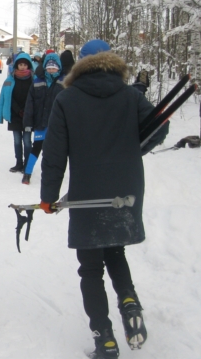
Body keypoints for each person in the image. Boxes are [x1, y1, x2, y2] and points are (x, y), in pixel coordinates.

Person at [39, 39, 166, 359]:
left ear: (80, 64)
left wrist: (48, 198)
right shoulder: (130, 95)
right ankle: (129, 302)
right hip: (126, 190)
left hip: (88, 194)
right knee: (115, 251)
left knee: (91, 267)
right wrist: (131, 150)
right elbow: (159, 129)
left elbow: (54, 153)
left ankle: (105, 340)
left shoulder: (67, 98)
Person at [21, 52, 64, 185]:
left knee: (53, 152)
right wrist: (28, 122)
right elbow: (30, 103)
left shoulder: (64, 83)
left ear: (59, 68)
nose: (51, 70)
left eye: (54, 68)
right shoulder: (37, 82)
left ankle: (51, 176)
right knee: (36, 148)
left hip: (57, 124)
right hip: (41, 123)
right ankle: (27, 173)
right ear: (45, 68)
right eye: (49, 68)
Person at [0, 52, 33, 173]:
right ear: (16, 65)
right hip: (15, 115)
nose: (22, 67)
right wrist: (18, 110)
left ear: (29, 66)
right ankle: (19, 163)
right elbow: (7, 97)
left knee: (27, 141)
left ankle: (27, 164)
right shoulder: (10, 80)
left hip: (29, 115)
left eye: (25, 64)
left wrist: (26, 110)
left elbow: (33, 97)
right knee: (17, 140)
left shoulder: (33, 80)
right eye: (20, 64)